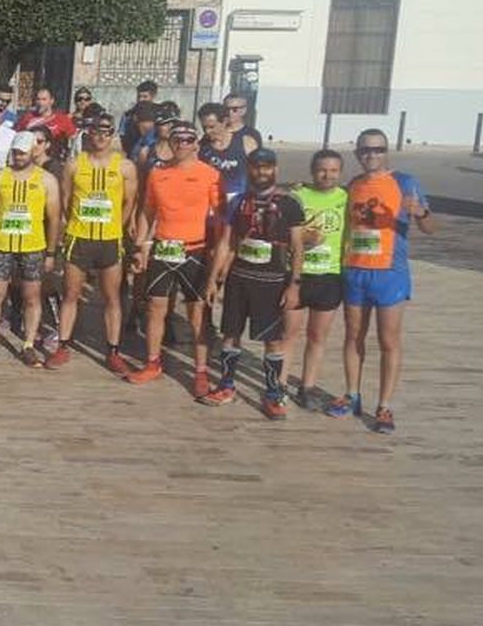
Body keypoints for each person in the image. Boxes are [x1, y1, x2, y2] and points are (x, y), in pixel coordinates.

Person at [325, 130, 433, 434]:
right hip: (356, 271)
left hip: (389, 275)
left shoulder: (405, 182)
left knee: (388, 341)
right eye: (365, 150)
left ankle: (384, 405)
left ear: (387, 151)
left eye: (378, 149)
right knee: (352, 336)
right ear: (358, 153)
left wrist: (420, 212)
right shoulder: (354, 184)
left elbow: (431, 227)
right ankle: (352, 394)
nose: (372, 154)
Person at [204, 149, 306, 419]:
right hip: (240, 280)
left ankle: (273, 392)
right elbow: (227, 243)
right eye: (256, 167)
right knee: (230, 334)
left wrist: (294, 285)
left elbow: (297, 247)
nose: (262, 172)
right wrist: (214, 279)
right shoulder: (238, 201)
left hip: (272, 283)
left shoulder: (289, 203)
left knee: (273, 341)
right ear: (248, 169)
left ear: (275, 169)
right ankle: (226, 384)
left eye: (267, 166)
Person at [124, 122, 223, 392]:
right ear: (171, 142)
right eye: (177, 139)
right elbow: (147, 211)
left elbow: (222, 219)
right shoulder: (158, 173)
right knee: (155, 307)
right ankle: (153, 362)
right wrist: (142, 246)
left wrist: (220, 258)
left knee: (197, 312)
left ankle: (201, 371)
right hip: (163, 247)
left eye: (188, 139)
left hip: (195, 249)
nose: (182, 144)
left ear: (196, 144)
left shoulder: (210, 174)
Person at [48, 113, 136, 373]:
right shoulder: (74, 164)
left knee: (111, 298)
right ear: (88, 133)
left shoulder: (125, 167)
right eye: (96, 131)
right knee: (71, 294)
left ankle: (113, 352)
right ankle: (62, 346)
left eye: (107, 131)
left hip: (109, 239)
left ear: (113, 135)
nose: (101, 136)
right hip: (79, 237)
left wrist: (117, 227)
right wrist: (71, 225)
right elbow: (65, 199)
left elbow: (130, 202)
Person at [0, 131, 62, 366]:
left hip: (33, 246)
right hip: (1, 244)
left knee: (32, 296)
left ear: (33, 151)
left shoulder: (46, 180)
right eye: (16, 152)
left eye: (23, 152)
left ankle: (28, 344)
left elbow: (54, 218)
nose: (19, 157)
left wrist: (52, 253)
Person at [283, 149, 349, 411]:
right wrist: (302, 239)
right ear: (312, 171)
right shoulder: (297, 196)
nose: (327, 175)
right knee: (289, 334)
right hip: (298, 273)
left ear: (340, 173)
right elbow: (282, 233)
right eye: (322, 170)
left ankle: (307, 387)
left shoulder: (346, 196)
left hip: (329, 276)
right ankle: (278, 384)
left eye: (334, 170)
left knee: (317, 336)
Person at [198, 101, 257, 210]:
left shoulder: (246, 143)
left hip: (239, 204)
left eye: (212, 127)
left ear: (224, 121)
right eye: (204, 127)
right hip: (210, 205)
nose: (207, 131)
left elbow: (258, 174)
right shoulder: (200, 147)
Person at [13, 87, 78, 159]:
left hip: (53, 160)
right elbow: (16, 137)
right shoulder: (27, 118)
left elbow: (74, 139)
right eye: (38, 99)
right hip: (31, 160)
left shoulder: (62, 119)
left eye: (44, 99)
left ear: (51, 101)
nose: (40, 103)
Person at [120, 80, 158, 155]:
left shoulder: (159, 113)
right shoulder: (128, 115)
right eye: (139, 96)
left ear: (153, 96)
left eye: (145, 97)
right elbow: (122, 136)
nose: (141, 100)